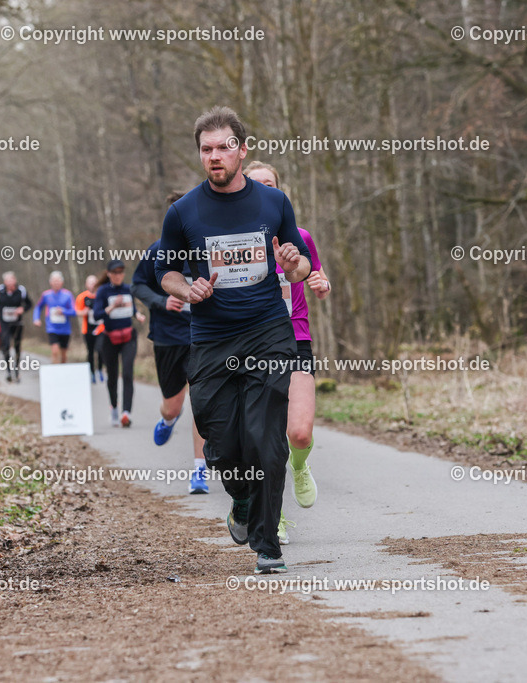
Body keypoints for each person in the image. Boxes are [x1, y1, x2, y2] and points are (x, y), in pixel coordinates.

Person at [155, 106, 311, 574]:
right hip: (212, 338)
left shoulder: (273, 203)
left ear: (242, 150)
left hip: (268, 333)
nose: (215, 156)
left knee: (265, 438)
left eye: (224, 147)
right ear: (199, 154)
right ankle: (241, 500)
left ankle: (268, 545)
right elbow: (165, 272)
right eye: (207, 149)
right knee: (221, 443)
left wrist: (293, 264)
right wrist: (187, 289)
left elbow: (300, 268)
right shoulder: (183, 212)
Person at [244, 161, 330, 545]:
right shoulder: (237, 242)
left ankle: (298, 465)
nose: (265, 190)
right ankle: (273, 517)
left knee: (298, 432)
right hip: (253, 342)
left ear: (279, 192)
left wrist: (321, 284)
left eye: (270, 184)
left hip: (295, 338)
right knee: (264, 437)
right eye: (256, 184)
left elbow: (316, 275)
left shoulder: (300, 236)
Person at [131, 192, 208, 493]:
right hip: (168, 338)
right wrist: (162, 301)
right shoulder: (158, 250)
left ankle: (199, 470)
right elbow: (137, 285)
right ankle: (167, 420)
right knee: (172, 407)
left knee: (201, 404)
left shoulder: (208, 248)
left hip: (204, 336)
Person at [94, 260, 146, 427]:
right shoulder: (103, 291)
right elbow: (96, 315)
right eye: (115, 273)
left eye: (121, 272)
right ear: (109, 274)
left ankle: (126, 413)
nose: (118, 276)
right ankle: (114, 408)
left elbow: (132, 308)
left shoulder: (128, 289)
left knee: (128, 373)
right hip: (110, 339)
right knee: (112, 376)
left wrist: (138, 315)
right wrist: (112, 307)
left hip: (128, 337)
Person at [0, 271, 33, 382]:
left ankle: (17, 370)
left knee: (17, 346)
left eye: (12, 280)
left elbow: (29, 304)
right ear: (4, 282)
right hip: (4, 322)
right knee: (5, 345)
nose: (10, 283)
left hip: (17, 323)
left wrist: (22, 309)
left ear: (15, 280)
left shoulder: (21, 290)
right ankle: (8, 371)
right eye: (7, 281)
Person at [33, 270, 77, 364]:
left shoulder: (67, 295)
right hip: (52, 328)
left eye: (58, 281)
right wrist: (36, 319)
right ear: (50, 282)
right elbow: (38, 307)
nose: (56, 283)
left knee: (63, 354)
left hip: (65, 329)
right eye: (54, 281)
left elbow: (74, 311)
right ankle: (54, 370)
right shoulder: (46, 295)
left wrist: (63, 311)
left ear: (62, 282)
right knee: (55, 351)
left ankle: (62, 369)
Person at [74, 274, 104, 383]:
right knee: (90, 351)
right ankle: (91, 372)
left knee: (100, 349)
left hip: (101, 328)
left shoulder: (101, 295)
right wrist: (84, 312)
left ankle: (100, 370)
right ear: (86, 284)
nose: (92, 285)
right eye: (90, 283)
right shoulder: (82, 297)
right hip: (88, 329)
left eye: (94, 282)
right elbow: (77, 312)